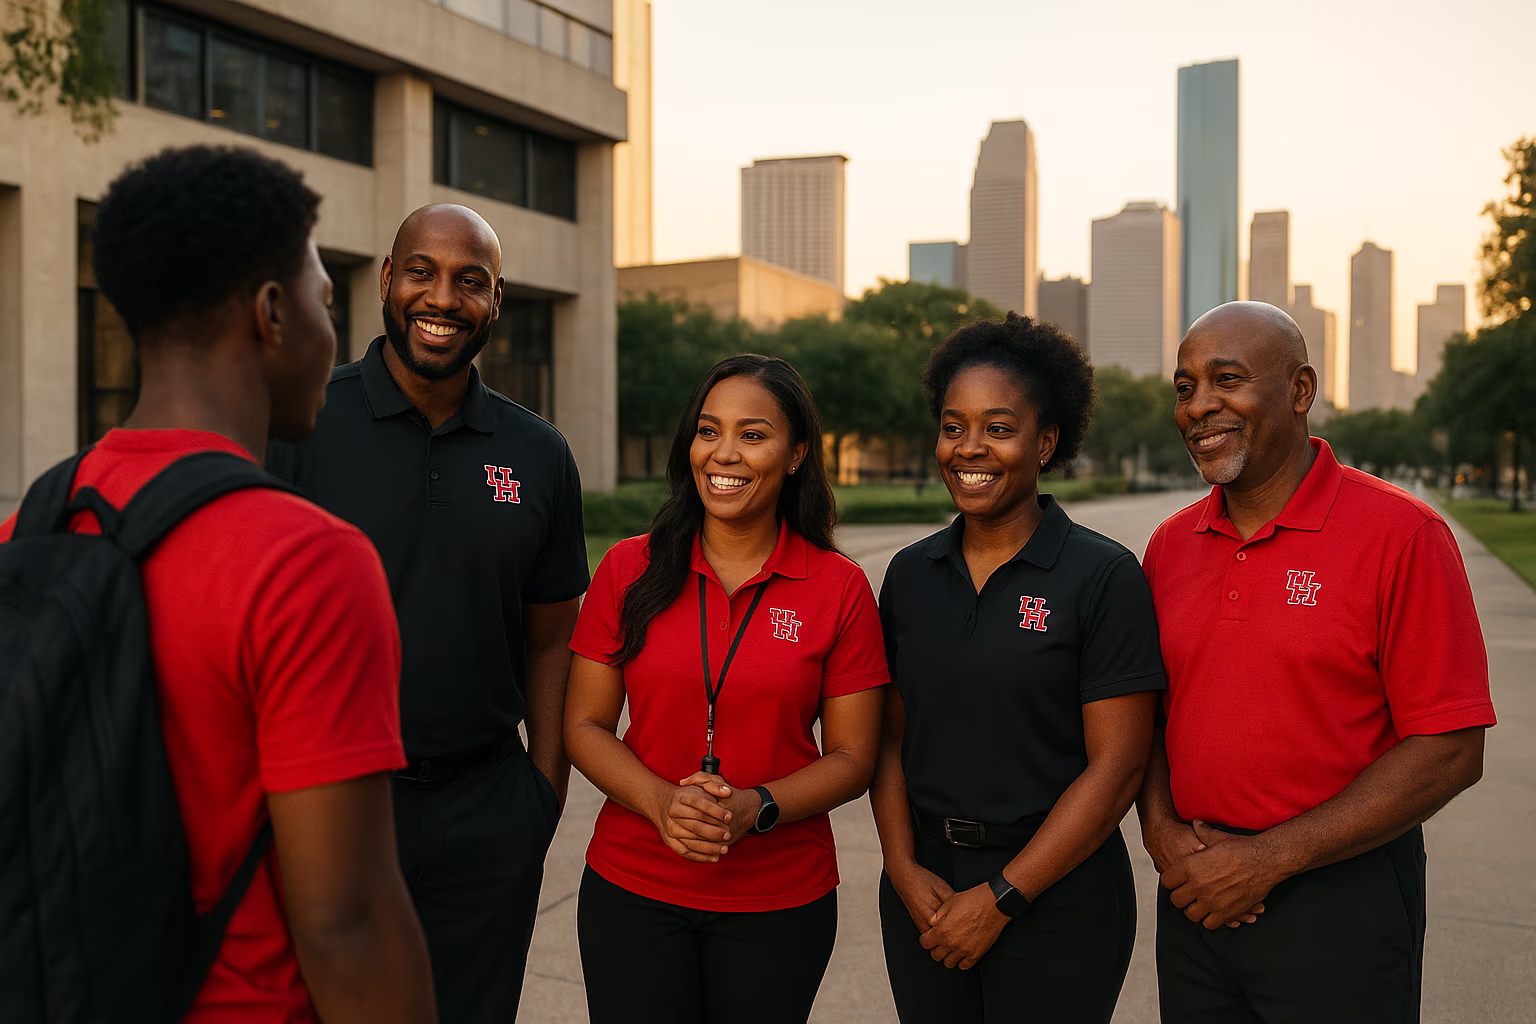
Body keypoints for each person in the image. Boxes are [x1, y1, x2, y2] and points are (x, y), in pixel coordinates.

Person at [0, 146, 435, 1022]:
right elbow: (347, 924)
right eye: (322, 301)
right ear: (271, 314)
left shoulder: (30, 524)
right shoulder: (306, 562)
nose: (331, 334)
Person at [265, 204, 588, 1022]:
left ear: (496, 299)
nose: (442, 298)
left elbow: (553, 639)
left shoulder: (538, 453)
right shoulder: (302, 424)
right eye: (422, 272)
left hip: (486, 812)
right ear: (386, 280)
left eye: (468, 281)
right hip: (329, 803)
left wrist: (539, 797)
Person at [1138, 301, 1495, 1024]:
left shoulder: (1402, 535)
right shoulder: (1169, 547)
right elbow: (1148, 716)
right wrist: (1159, 829)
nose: (1200, 406)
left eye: (1227, 380)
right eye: (1184, 387)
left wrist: (1269, 860)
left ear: (1300, 391)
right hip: (1197, 895)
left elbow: (1451, 748)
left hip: (1341, 898)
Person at [564, 354, 888, 1024]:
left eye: (753, 434)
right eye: (709, 431)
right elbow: (583, 726)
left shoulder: (839, 588)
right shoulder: (629, 567)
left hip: (779, 899)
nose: (724, 454)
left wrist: (755, 807)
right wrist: (660, 803)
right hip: (632, 887)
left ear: (796, 454)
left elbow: (854, 758)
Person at [871, 312, 1166, 1023]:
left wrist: (1004, 895)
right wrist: (904, 871)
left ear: (1047, 441)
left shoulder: (1101, 575)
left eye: (999, 428)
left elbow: (1118, 767)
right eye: (953, 425)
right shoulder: (910, 576)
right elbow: (886, 741)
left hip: (1058, 895)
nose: (969, 448)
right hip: (926, 888)